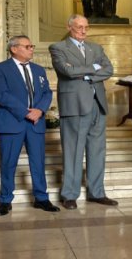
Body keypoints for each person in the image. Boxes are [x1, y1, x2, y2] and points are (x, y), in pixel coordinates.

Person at [49, 14, 116, 209]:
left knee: (97, 151)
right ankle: (69, 194)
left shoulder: (96, 48)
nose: (84, 31)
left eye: (86, 27)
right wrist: (93, 68)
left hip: (98, 103)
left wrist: (86, 74)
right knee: (73, 150)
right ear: (69, 27)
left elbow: (109, 69)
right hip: (75, 104)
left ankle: (97, 193)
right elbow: (67, 71)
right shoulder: (58, 48)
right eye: (79, 27)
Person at [0, 35, 59, 216]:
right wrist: (26, 112)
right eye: (28, 46)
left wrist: (40, 110)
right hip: (12, 122)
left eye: (32, 46)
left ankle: (42, 198)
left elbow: (47, 92)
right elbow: (1, 94)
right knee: (8, 162)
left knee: (38, 162)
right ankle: (5, 200)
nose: (32, 49)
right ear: (14, 49)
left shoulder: (38, 69)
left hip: (36, 123)